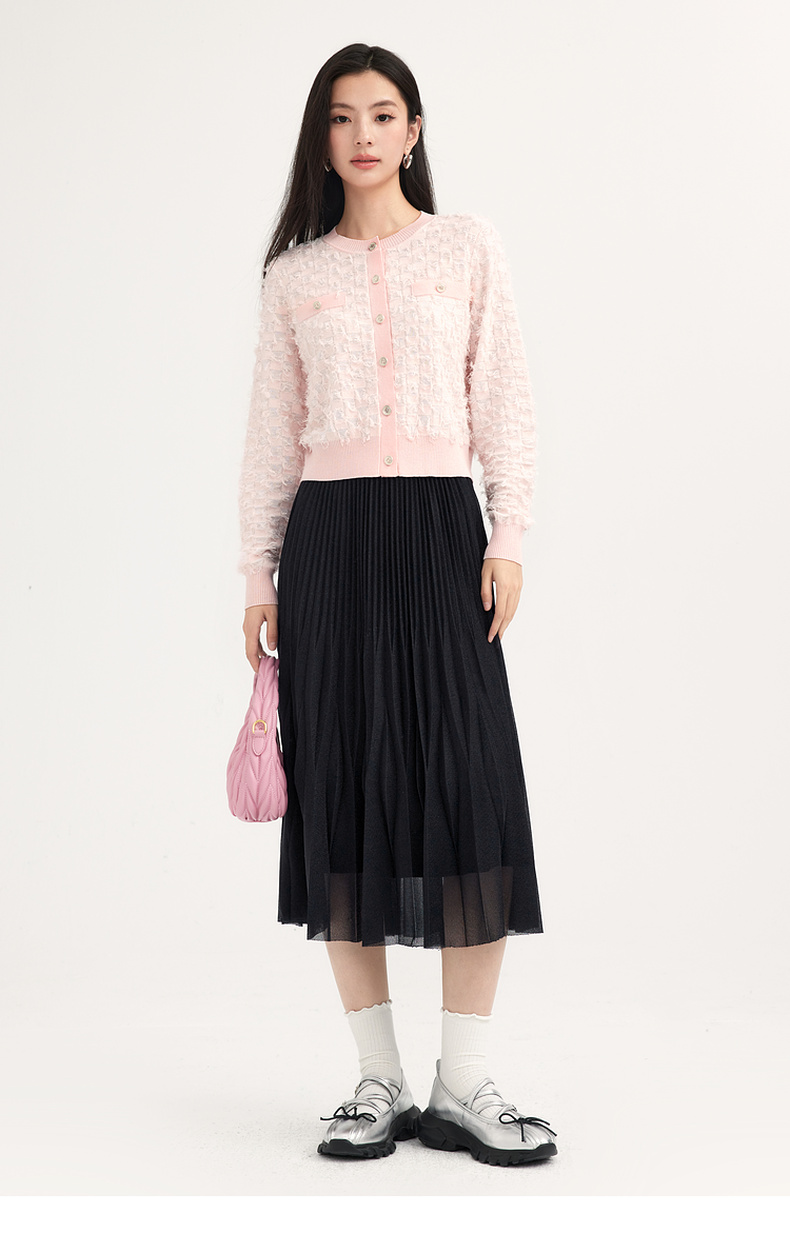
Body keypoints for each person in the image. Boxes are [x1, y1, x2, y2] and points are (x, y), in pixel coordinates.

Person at [237, 42, 557, 1167]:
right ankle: (376, 1077)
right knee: (342, 790)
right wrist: (257, 571)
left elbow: (504, 393)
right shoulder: (293, 277)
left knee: (472, 788)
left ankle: (462, 1081)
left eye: (383, 114)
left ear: (414, 131)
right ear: (321, 139)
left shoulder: (467, 246)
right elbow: (271, 433)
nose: (363, 135)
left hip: (439, 533)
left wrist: (507, 535)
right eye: (341, 117)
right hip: (328, 547)